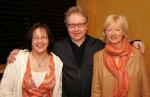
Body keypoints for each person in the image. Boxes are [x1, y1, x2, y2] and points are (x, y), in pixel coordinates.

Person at [6, 6, 145, 97]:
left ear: (86, 25)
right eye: (72, 25)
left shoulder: (98, 46)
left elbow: (116, 44)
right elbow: (39, 47)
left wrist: (134, 42)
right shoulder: (58, 46)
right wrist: (18, 52)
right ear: (67, 27)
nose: (76, 29)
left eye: (80, 24)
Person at [91, 14, 150, 97]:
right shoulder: (98, 56)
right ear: (105, 33)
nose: (113, 33)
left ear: (123, 32)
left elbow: (145, 87)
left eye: (117, 29)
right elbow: (96, 90)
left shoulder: (137, 55)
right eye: (109, 30)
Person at [0, 23, 63, 97]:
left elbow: (58, 92)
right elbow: (4, 91)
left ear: (49, 40)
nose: (40, 41)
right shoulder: (17, 59)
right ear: (31, 40)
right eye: (36, 38)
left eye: (43, 37)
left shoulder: (57, 62)